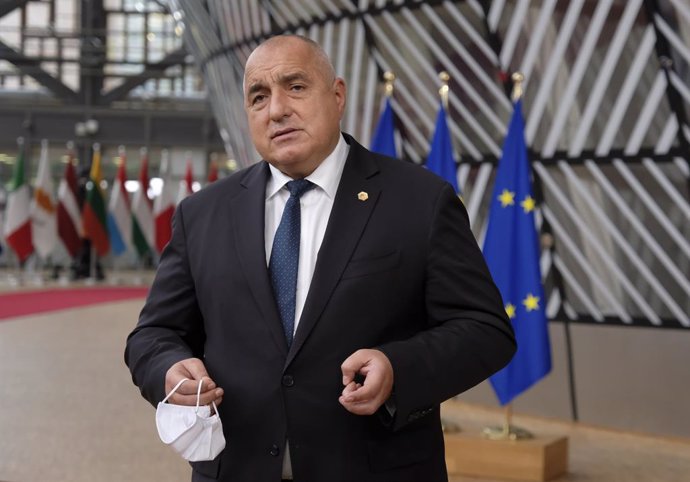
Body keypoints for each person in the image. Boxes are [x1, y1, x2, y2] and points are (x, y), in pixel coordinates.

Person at [125, 35, 516, 482]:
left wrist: (398, 368)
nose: (276, 110)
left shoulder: (420, 201)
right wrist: (168, 371)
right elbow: (153, 333)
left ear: (337, 96)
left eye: (295, 87)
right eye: (258, 97)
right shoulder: (202, 214)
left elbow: (485, 330)